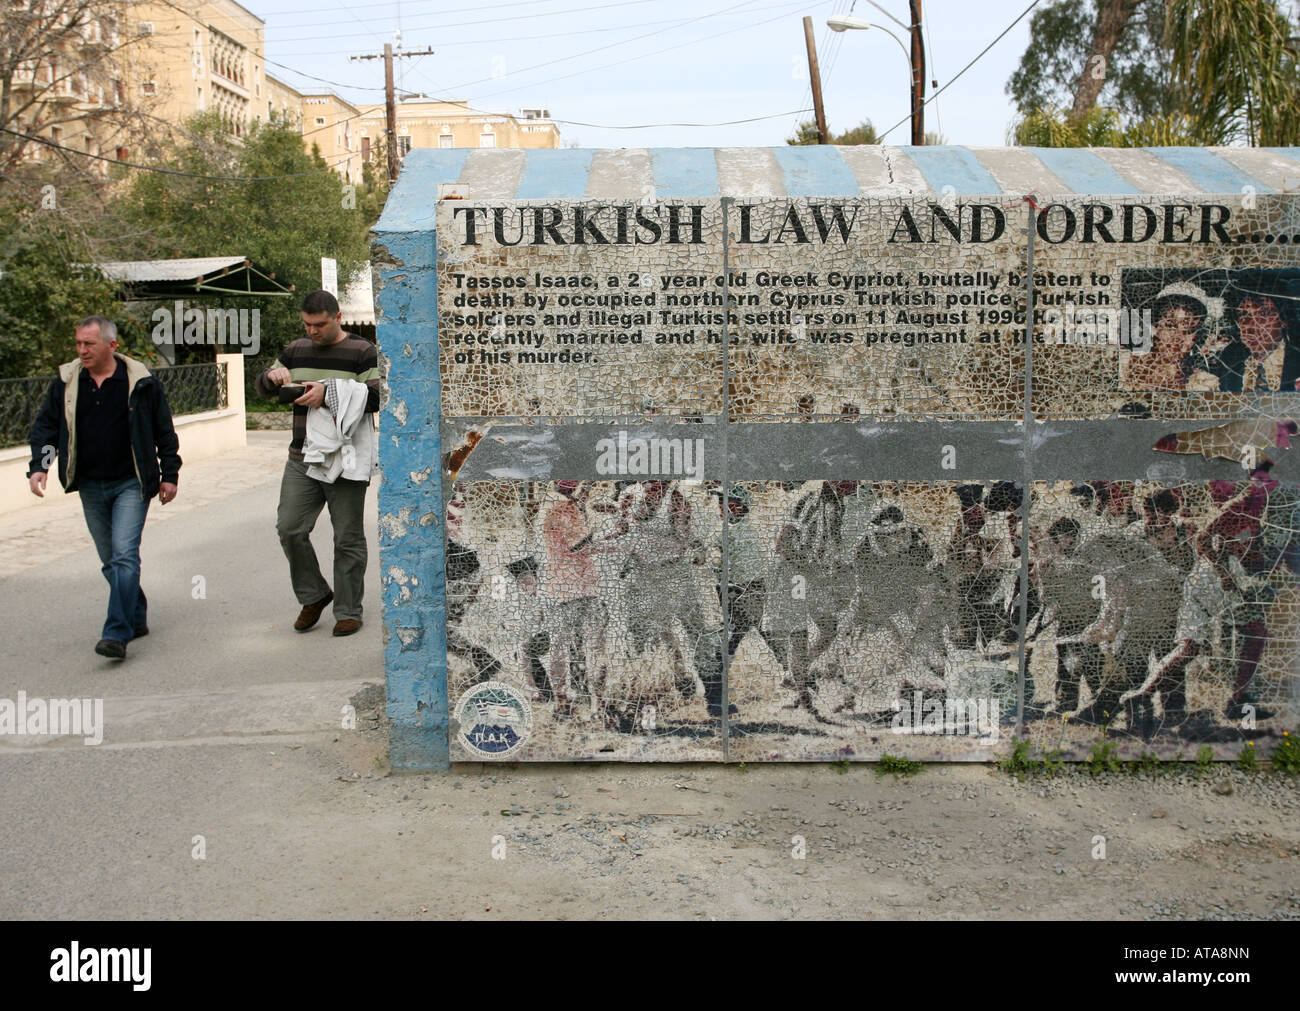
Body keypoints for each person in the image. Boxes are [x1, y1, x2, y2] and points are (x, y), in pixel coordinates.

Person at [27, 315, 180, 659]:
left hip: (132, 482)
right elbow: (47, 428)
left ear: (112, 345)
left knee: (125, 555)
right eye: (78, 343)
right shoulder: (67, 382)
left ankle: (116, 633)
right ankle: (135, 615)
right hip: (90, 485)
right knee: (111, 561)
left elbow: (163, 431)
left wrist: (169, 474)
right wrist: (41, 465)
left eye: (89, 344)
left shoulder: (141, 382)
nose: (81, 350)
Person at [255, 290, 380, 636]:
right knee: (290, 528)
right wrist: (272, 378)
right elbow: (264, 389)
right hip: (302, 456)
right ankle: (314, 595)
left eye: (320, 324)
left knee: (348, 537)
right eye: (307, 324)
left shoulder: (362, 351)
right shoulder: (296, 350)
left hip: (346, 457)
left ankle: (348, 610)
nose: (313, 331)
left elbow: (378, 395)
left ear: (338, 318)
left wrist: (330, 393)